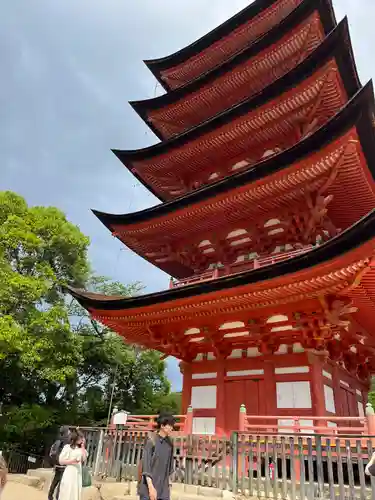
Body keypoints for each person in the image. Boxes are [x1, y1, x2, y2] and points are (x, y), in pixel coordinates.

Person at [138, 413, 175, 500]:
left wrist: (169, 484)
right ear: (162, 425)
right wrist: (151, 488)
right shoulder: (151, 440)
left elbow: (169, 467)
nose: (172, 428)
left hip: (163, 490)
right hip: (149, 487)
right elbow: (146, 467)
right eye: (170, 425)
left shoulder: (170, 443)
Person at [58, 429, 87, 500]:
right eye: (80, 438)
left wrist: (83, 446)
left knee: (75, 491)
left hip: (77, 473)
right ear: (75, 439)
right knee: (67, 490)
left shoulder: (81, 449)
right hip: (69, 471)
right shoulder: (67, 447)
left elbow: (84, 459)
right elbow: (60, 461)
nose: (82, 439)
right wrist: (71, 461)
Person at [48, 426, 71, 500]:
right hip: (63, 465)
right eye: (68, 430)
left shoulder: (57, 441)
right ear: (66, 432)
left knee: (55, 481)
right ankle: (58, 497)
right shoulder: (68, 442)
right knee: (61, 484)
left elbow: (51, 453)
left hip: (57, 464)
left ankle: (50, 496)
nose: (70, 432)